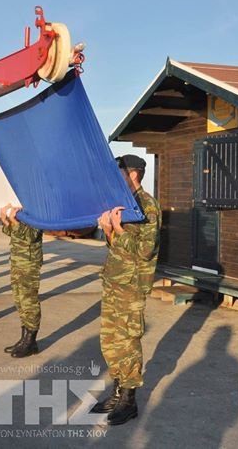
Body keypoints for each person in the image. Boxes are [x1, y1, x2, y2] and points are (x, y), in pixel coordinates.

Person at [91, 154, 161, 426]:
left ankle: (129, 400)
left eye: (120, 171)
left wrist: (118, 228)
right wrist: (109, 231)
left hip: (131, 286)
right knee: (110, 342)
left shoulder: (147, 206)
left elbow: (144, 251)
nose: (116, 176)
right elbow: (118, 248)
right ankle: (117, 391)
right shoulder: (124, 204)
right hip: (114, 282)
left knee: (128, 341)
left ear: (132, 175)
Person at [0, 204, 43, 358]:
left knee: (29, 301)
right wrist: (6, 221)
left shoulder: (37, 209)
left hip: (29, 262)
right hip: (18, 261)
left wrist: (15, 222)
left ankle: (31, 340)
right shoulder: (21, 210)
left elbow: (32, 235)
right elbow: (12, 233)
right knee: (19, 300)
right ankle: (25, 338)